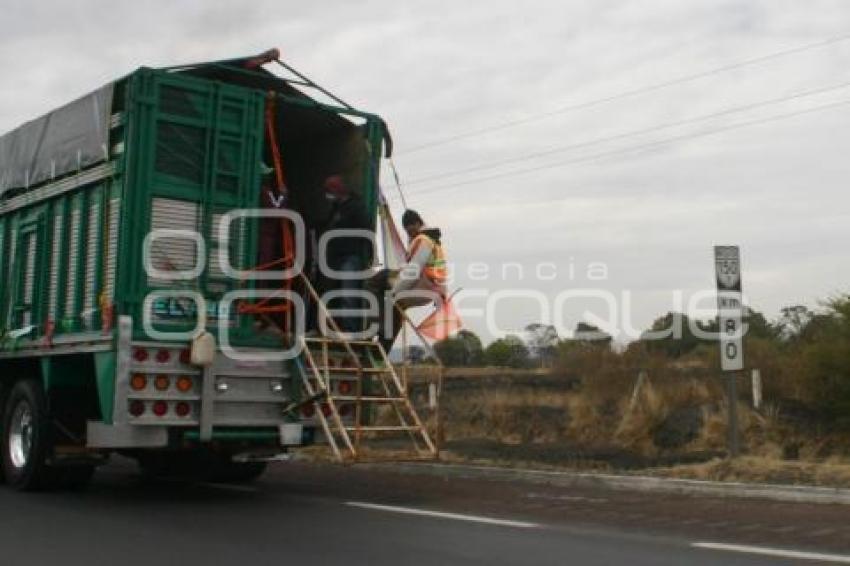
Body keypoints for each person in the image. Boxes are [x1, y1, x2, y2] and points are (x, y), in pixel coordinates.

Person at [370, 209, 447, 349]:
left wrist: (395, 291)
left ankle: (374, 327)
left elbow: (413, 271)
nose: (409, 232)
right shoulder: (432, 241)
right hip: (430, 289)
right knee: (396, 310)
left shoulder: (423, 241)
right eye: (407, 230)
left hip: (423, 286)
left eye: (410, 229)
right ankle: (383, 345)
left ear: (418, 223)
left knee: (378, 281)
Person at [320, 175, 373, 333]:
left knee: (348, 294)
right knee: (336, 294)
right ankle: (337, 327)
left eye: (329, 192)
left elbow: (367, 229)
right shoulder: (336, 208)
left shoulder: (356, 207)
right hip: (336, 258)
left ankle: (350, 330)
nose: (328, 196)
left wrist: (370, 255)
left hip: (350, 257)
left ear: (338, 191)